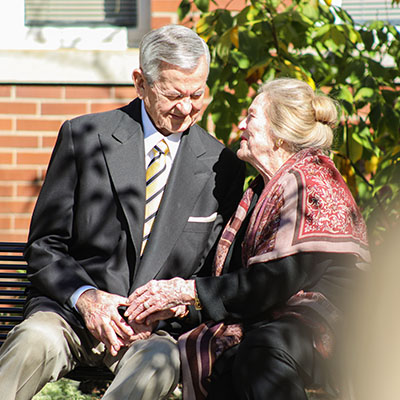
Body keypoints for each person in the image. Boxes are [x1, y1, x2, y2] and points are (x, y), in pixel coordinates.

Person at [0, 25, 245, 400]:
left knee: (158, 363)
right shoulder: (84, 137)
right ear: (141, 83)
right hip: (70, 317)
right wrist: (86, 298)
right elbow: (45, 246)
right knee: (32, 341)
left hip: (154, 336)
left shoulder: (221, 165)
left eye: (198, 94)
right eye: (173, 94)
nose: (186, 108)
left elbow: (212, 275)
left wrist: (173, 309)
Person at [126, 77, 371, 400]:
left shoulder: (313, 184)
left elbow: (272, 283)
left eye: (252, 117)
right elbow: (231, 283)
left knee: (259, 353)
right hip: (274, 323)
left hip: (338, 327)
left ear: (279, 134)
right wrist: (179, 309)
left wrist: (185, 291)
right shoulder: (257, 194)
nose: (241, 124)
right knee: (229, 357)